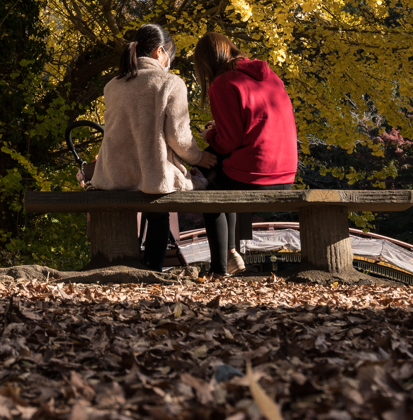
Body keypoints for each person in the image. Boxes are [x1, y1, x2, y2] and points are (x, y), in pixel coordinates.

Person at [93, 24, 217, 271]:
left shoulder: (112, 85)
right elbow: (178, 137)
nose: (170, 61)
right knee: (165, 204)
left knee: (147, 199)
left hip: (113, 175)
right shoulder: (170, 83)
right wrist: (198, 157)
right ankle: (153, 270)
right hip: (152, 177)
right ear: (160, 51)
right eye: (170, 55)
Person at [193, 32, 298, 276]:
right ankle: (230, 255)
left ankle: (220, 268)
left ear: (206, 62)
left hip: (257, 174)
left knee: (209, 188)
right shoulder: (271, 77)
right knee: (220, 176)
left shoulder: (223, 83)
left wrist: (208, 135)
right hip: (286, 173)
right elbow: (256, 126)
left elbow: (228, 142)